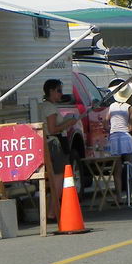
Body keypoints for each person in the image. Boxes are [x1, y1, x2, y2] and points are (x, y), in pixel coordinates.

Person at [38, 78, 78, 219]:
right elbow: (52, 129)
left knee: (55, 179)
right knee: (59, 178)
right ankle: (52, 211)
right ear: (51, 91)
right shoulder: (50, 108)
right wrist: (69, 123)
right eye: (59, 91)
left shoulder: (44, 106)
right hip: (54, 144)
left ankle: (52, 210)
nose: (61, 94)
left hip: (48, 144)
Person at [106, 82, 132, 197]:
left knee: (117, 170)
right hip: (125, 137)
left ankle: (119, 196)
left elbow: (105, 122)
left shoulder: (112, 107)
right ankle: (130, 195)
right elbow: (131, 127)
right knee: (129, 166)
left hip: (114, 138)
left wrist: (111, 129)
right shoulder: (129, 108)